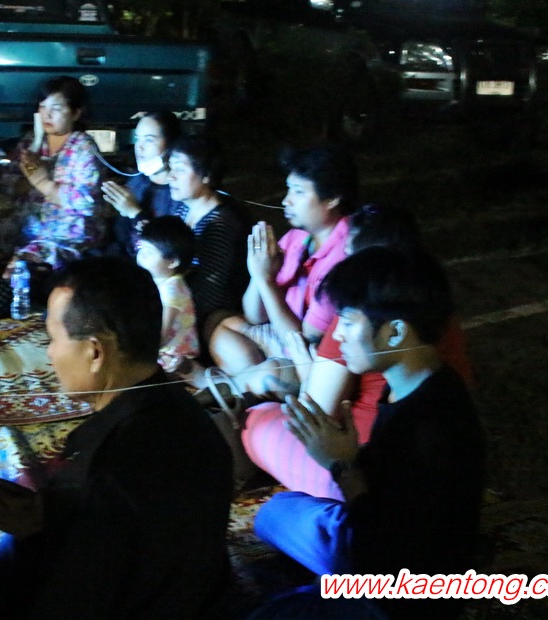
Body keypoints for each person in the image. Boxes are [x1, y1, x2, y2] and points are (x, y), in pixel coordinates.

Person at [0, 257, 233, 618]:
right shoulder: (187, 414)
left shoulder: (106, 470)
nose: (49, 353)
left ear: (95, 352)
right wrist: (44, 518)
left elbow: (77, 594)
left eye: (53, 339)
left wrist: (33, 535)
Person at [251, 247, 485, 619]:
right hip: (382, 544)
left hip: (399, 591)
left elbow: (379, 552)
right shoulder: (416, 383)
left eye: (347, 321)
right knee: (274, 514)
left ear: (395, 332)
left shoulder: (429, 427)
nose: (338, 335)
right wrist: (348, 458)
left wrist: (341, 465)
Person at [241, 203, 474, 497]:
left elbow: (314, 414)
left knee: (255, 423)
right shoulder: (434, 313)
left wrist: (340, 464)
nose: (340, 332)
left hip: (359, 478)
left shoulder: (364, 312)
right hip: (378, 478)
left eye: (348, 254)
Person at [205, 146, 359, 392]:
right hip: (285, 339)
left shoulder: (344, 256)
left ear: (332, 198)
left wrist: (266, 280)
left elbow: (304, 338)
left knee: (272, 374)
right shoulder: (298, 238)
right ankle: (248, 387)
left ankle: (230, 389)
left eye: (298, 191)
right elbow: (255, 316)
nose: (286, 200)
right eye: (289, 189)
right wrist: (258, 274)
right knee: (220, 324)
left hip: (315, 357)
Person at [3, 76, 106, 273]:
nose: (47, 115)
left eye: (56, 109)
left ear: (76, 113)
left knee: (22, 271)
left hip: (69, 235)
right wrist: (26, 177)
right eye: (42, 107)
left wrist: (43, 183)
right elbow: (10, 186)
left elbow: (86, 202)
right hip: (31, 230)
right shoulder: (31, 142)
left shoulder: (84, 147)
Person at [166, 135, 248, 343]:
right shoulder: (183, 209)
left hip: (204, 319)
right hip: (177, 303)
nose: (171, 176)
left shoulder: (219, 225)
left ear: (206, 175)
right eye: (171, 168)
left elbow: (209, 293)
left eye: (180, 169)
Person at [101, 111, 183, 257]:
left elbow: (168, 250)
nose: (139, 147)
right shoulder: (137, 180)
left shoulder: (180, 191)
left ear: (171, 145)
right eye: (137, 139)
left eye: (149, 140)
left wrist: (135, 213)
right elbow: (122, 240)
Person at [135, 216, 200, 373]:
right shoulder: (156, 279)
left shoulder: (172, 289)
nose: (141, 255)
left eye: (149, 252)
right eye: (141, 248)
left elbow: (163, 333)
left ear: (173, 261)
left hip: (175, 353)